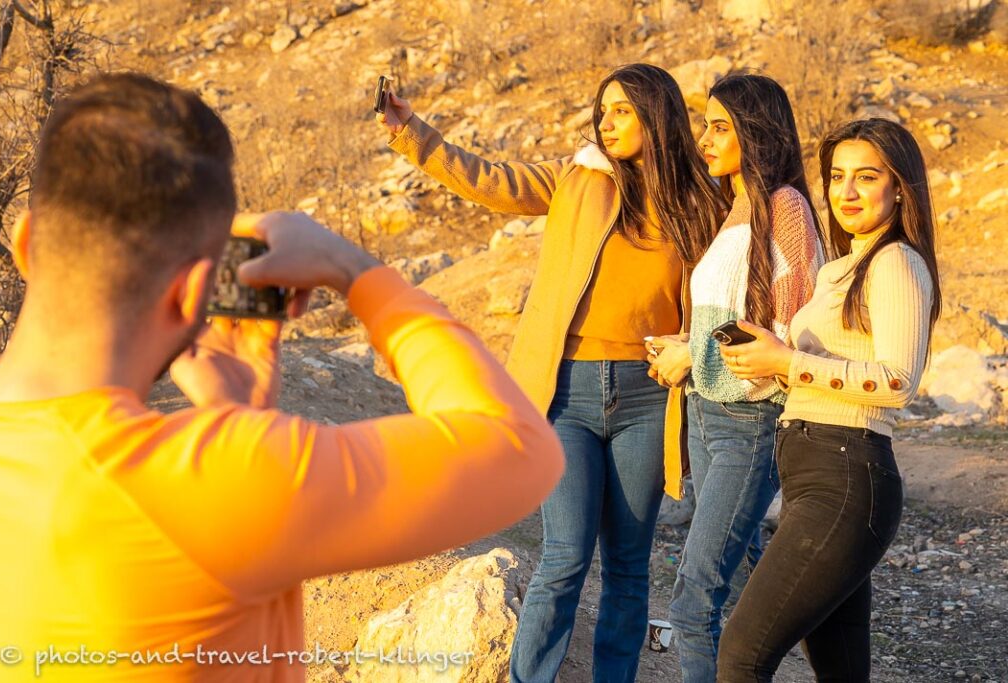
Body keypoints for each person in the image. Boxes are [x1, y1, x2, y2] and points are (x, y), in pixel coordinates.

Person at [0, 72, 564, 682]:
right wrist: (354, 269)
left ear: (25, 245)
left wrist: (238, 417)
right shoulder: (210, 482)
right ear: (193, 294)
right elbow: (519, 446)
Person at [377, 63, 726, 681]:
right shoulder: (579, 179)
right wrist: (413, 134)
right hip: (566, 393)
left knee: (627, 564)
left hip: (650, 396)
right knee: (564, 556)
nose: (607, 121)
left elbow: (724, 288)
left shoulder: (698, 198)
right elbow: (494, 180)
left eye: (623, 110)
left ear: (658, 113)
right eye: (604, 109)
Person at [715, 118, 941, 682]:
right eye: (837, 176)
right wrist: (766, 359)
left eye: (866, 177)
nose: (846, 191)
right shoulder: (842, 269)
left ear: (900, 187)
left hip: (846, 476)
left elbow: (897, 381)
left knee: (742, 653)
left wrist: (788, 361)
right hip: (815, 472)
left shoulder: (896, 263)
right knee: (841, 672)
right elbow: (824, 372)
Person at [646, 73, 824, 683]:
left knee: (694, 599)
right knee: (740, 574)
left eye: (720, 126)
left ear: (757, 133)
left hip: (749, 422)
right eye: (705, 124)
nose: (706, 138)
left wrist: (693, 357)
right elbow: (732, 319)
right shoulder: (736, 210)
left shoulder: (786, 209)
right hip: (707, 413)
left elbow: (786, 329)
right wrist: (686, 344)